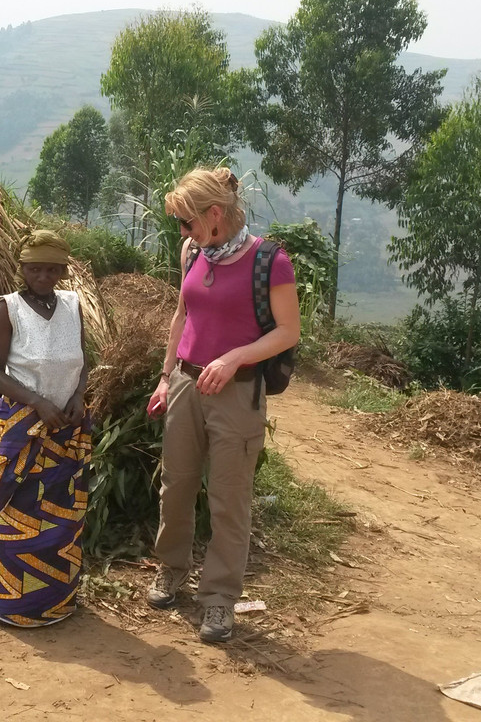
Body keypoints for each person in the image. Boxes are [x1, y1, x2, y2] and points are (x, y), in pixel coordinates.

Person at [145, 167, 300, 643]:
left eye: (187, 222)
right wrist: (166, 377)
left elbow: (288, 332)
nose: (183, 233)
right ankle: (171, 568)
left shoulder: (270, 261)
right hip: (186, 384)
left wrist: (235, 358)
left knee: (229, 499)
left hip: (237, 393)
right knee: (176, 485)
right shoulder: (193, 252)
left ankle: (218, 597)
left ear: (215, 214)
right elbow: (181, 314)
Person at [0, 230, 91, 627]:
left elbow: (82, 361)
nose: (43, 276)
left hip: (66, 428)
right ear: (22, 269)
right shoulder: (8, 307)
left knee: (63, 517)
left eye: (52, 270)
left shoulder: (72, 305)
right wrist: (37, 402)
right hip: (22, 427)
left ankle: (54, 602)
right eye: (35, 269)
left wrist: (78, 395)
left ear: (63, 271)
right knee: (13, 513)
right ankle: (8, 603)